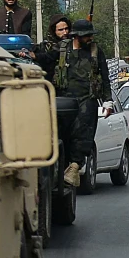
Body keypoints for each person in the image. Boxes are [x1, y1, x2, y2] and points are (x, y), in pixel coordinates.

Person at [38, 18, 111, 187]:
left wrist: (108, 101)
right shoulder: (62, 48)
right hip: (64, 99)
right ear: (77, 36)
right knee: (63, 135)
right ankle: (63, 168)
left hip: (87, 98)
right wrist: (30, 54)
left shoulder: (95, 51)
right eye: (86, 36)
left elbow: (105, 77)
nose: (90, 39)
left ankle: (75, 165)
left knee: (84, 133)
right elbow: (46, 58)